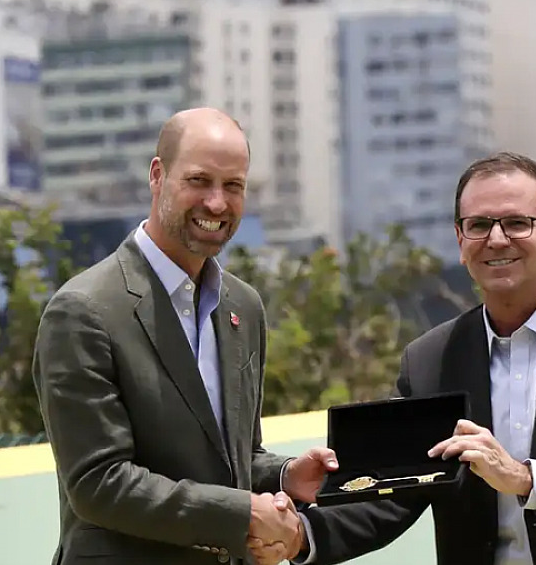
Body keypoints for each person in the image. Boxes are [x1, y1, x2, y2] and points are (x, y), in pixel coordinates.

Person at [252, 152, 536, 565]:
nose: (497, 240)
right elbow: (392, 493)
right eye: (479, 225)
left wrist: (525, 478)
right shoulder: (430, 360)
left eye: (517, 223)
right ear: (461, 242)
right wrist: (299, 535)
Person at [33, 107, 337, 565]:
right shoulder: (83, 312)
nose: (217, 203)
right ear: (158, 176)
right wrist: (243, 515)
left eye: (233, 186)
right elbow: (99, 482)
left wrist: (287, 477)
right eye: (199, 180)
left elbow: (232, 459)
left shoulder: (243, 307)